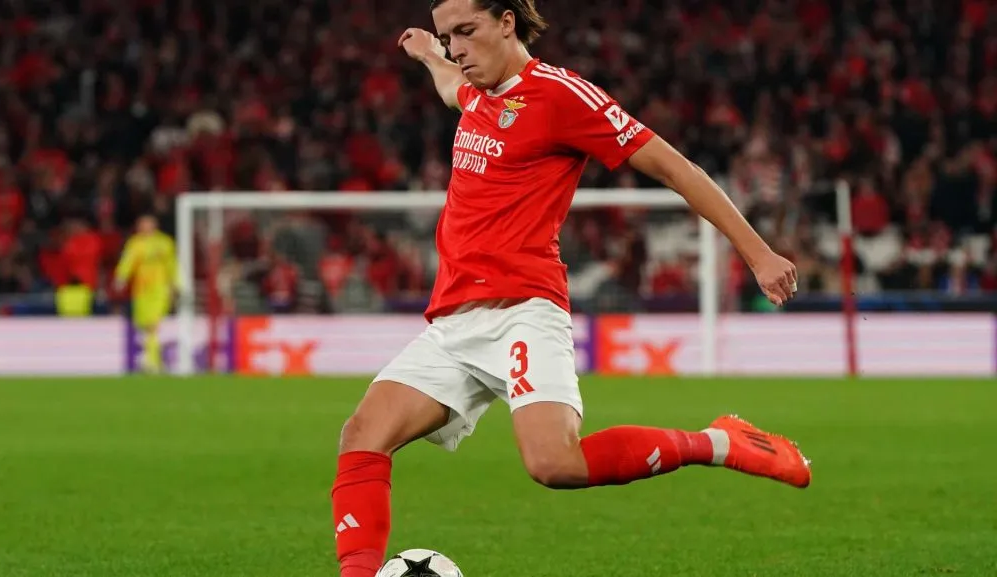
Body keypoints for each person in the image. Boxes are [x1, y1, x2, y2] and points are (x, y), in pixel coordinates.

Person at [331, 2, 809, 575]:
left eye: (466, 32)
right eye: (448, 36)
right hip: (454, 321)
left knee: (555, 464)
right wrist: (430, 55)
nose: (457, 48)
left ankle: (719, 442)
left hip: (523, 310)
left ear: (506, 22)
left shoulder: (562, 95)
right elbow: (452, 86)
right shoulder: (476, 91)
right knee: (362, 434)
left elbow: (675, 168)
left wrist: (758, 253)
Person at [114, 214, 178, 373]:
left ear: (154, 225)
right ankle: (152, 359)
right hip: (141, 290)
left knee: (153, 324)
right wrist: (121, 277)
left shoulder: (165, 243)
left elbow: (172, 264)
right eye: (141, 224)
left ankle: (152, 362)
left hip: (159, 288)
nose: (144, 227)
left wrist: (175, 284)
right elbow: (127, 261)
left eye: (147, 224)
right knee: (144, 325)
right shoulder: (135, 243)